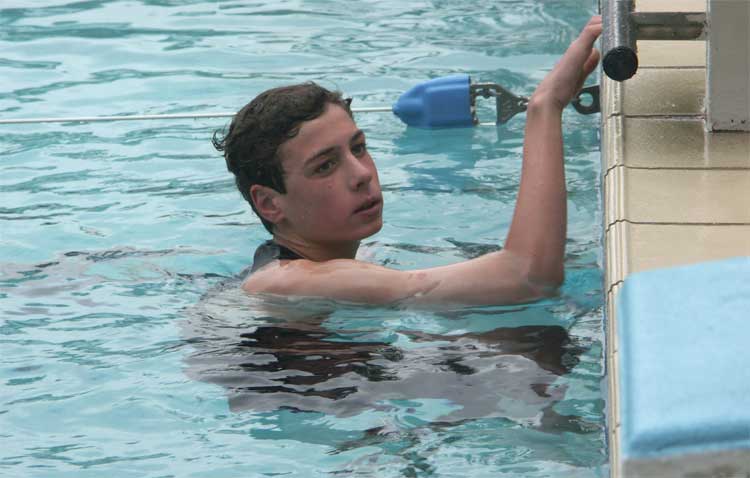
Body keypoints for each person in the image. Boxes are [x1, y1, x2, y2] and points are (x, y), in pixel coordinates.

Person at [213, 16, 603, 307]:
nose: (362, 175)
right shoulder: (283, 282)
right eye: (325, 166)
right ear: (269, 203)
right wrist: (544, 108)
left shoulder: (347, 261)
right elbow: (529, 278)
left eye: (358, 148)